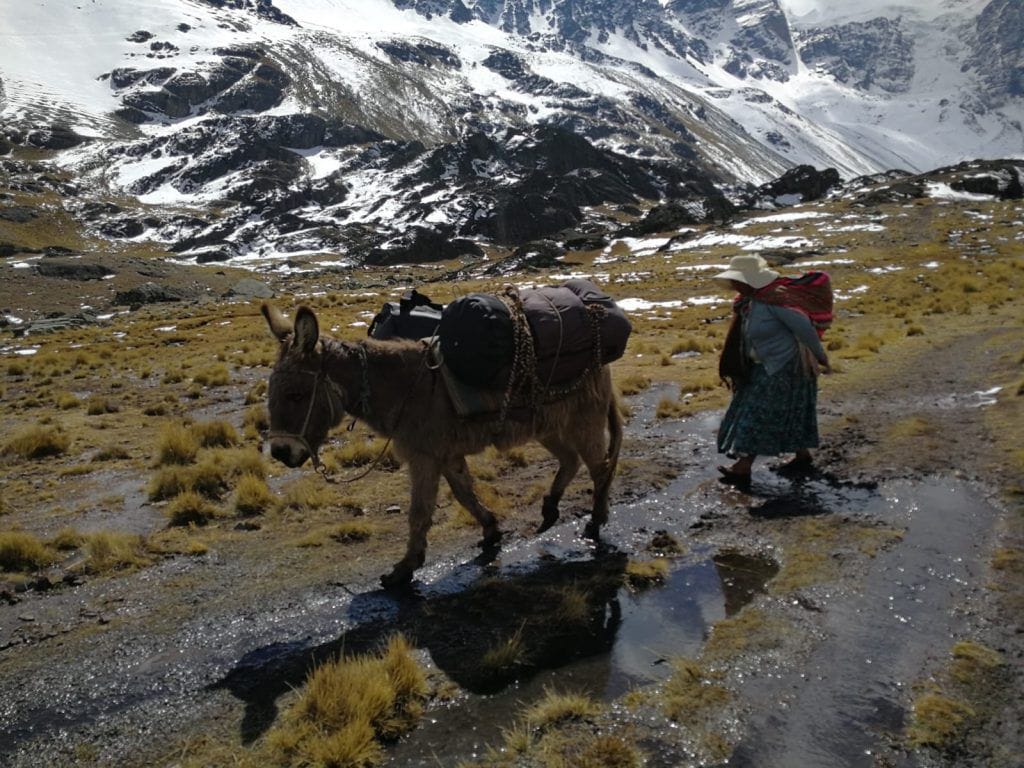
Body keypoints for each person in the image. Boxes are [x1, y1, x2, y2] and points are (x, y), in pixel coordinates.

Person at [713, 254, 831, 485]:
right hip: (765, 366)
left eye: (737, 280)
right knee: (790, 410)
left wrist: (822, 358)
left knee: (758, 415)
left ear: (749, 281)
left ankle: (742, 466)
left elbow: (805, 330)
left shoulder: (776, 302)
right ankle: (802, 455)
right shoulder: (750, 302)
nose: (734, 285)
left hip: (785, 368)